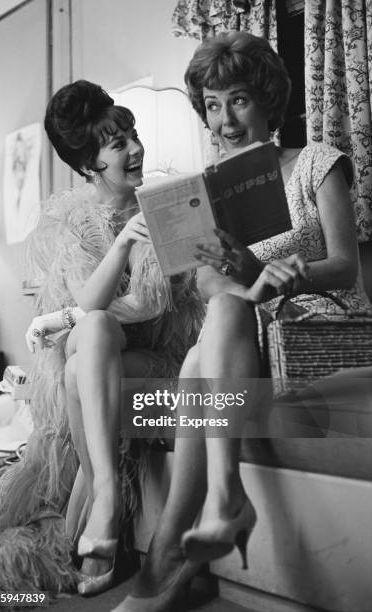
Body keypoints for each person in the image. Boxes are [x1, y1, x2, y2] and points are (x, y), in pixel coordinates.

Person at [112, 31, 372, 611]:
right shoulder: (209, 189)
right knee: (222, 309)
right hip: (249, 329)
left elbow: (346, 266)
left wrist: (290, 273)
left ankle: (167, 559)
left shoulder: (316, 163)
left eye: (238, 100)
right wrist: (249, 278)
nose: (224, 119)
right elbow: (211, 284)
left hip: (316, 327)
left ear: (267, 101)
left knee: (198, 365)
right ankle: (222, 504)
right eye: (211, 104)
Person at [0, 80, 203, 599]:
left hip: (149, 358)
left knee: (86, 350)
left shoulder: (165, 202)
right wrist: (122, 242)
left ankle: (101, 502)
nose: (136, 149)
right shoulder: (69, 217)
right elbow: (93, 304)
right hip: (100, 354)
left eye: (133, 135)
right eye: (118, 144)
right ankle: (107, 495)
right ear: (88, 167)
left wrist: (61, 320)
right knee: (94, 329)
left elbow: (151, 306)